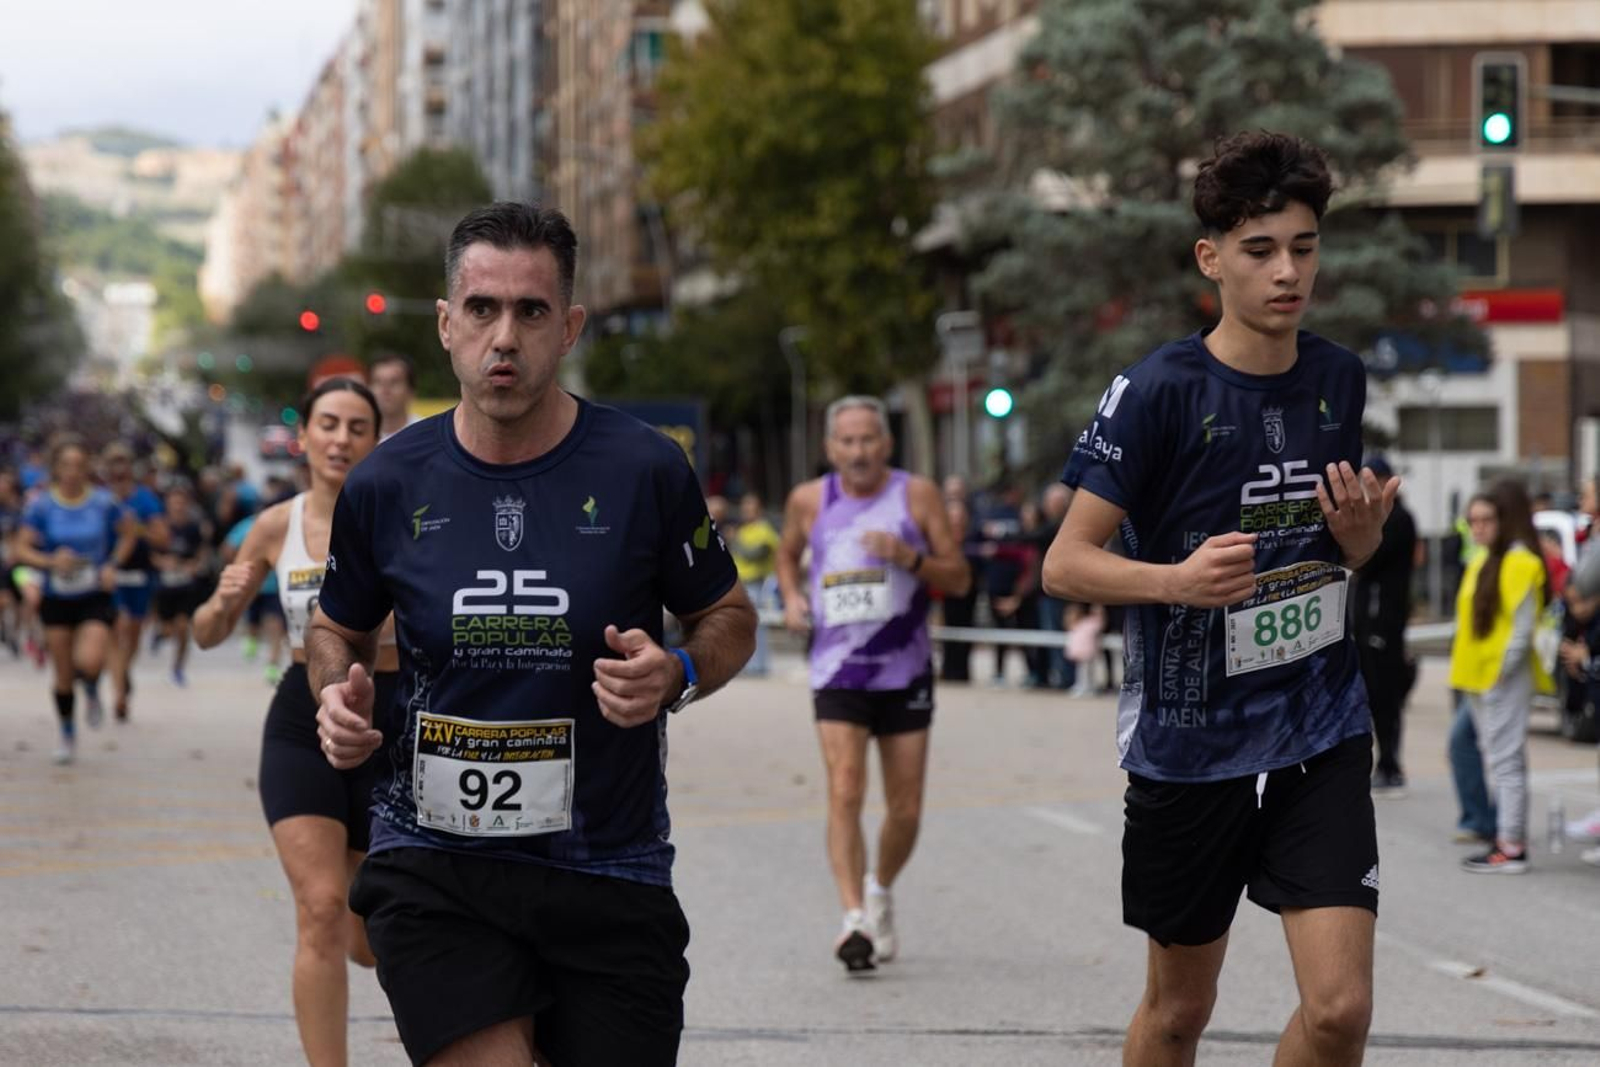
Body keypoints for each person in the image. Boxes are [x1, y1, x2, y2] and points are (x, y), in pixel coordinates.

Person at [309, 202, 756, 1067]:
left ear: (570, 328)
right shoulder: (387, 483)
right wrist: (336, 689)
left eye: (531, 311)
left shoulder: (645, 470)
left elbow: (728, 614)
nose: (503, 335)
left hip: (606, 862)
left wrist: (681, 671)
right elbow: (335, 627)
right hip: (435, 860)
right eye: (482, 309)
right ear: (446, 324)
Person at [1043, 131, 1394, 1065]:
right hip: (1193, 740)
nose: (1289, 271)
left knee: (1339, 1011)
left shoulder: (1336, 379)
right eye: (1262, 250)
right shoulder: (1158, 389)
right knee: (1178, 1013)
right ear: (1212, 259)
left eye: (1305, 247)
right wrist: (1174, 582)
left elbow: (1345, 543)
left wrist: (1362, 541)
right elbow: (1064, 564)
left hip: (1320, 720)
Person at [193, 378, 395, 1067]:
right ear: (303, 436)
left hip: (391, 719)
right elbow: (205, 632)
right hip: (303, 714)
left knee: (369, 935)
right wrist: (222, 603)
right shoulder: (276, 524)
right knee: (318, 907)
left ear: (375, 439)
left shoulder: (408, 513)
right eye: (329, 424)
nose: (341, 439)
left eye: (358, 427)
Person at [776, 395, 970, 974]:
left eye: (868, 440)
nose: (858, 452)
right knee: (845, 788)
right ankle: (853, 917)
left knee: (905, 807)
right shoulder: (809, 500)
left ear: (886, 444)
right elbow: (787, 556)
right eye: (847, 442)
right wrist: (789, 596)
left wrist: (909, 558)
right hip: (837, 670)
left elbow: (958, 577)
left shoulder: (917, 496)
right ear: (829, 448)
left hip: (905, 669)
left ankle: (880, 887)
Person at [12, 436, 135, 763]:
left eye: (80, 465)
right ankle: (67, 732)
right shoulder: (41, 505)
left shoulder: (103, 502)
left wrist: (112, 564)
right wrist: (51, 561)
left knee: (91, 660)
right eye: (66, 465)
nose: (73, 472)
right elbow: (20, 550)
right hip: (57, 596)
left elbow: (129, 533)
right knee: (63, 674)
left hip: (93, 593)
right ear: (55, 468)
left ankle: (93, 686)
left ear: (88, 468)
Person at [1449, 482, 1551, 873]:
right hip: (1477, 677)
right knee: (1497, 758)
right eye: (1472, 520)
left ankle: (1510, 847)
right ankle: (1505, 840)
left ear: (1503, 520)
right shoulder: (1483, 558)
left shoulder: (1521, 561)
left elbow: (1523, 631)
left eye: (1485, 520)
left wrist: (1499, 675)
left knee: (1505, 761)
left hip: (1499, 678)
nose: (1477, 527)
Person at [1352, 456, 1418, 796]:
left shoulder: (1398, 519)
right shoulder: (1382, 518)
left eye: (1374, 479)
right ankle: (1385, 762)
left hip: (1385, 623)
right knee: (1372, 694)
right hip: (1368, 620)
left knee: (1385, 695)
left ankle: (1391, 764)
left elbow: (1365, 558)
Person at [102, 443, 168, 722]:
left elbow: (162, 538)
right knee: (120, 626)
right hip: (110, 574)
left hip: (141, 574)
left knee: (134, 631)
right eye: (112, 462)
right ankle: (119, 694)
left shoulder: (145, 499)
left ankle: (123, 670)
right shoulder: (100, 499)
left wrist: (136, 529)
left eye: (122, 461)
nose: (118, 468)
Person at [151, 482, 212, 687]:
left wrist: (192, 566)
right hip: (164, 587)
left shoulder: (193, 527)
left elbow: (201, 553)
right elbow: (149, 554)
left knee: (183, 628)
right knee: (169, 630)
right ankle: (160, 633)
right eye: (173, 502)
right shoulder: (160, 526)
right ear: (167, 504)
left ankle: (178, 668)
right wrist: (163, 563)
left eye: (181, 502)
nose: (177, 506)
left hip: (186, 587)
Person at [730, 491, 781, 675]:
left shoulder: (764, 530)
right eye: (744, 508)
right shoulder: (744, 530)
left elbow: (755, 554)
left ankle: (758, 665)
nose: (745, 512)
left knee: (756, 626)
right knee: (745, 626)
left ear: (758, 510)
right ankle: (748, 664)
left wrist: (735, 540)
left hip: (757, 583)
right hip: (741, 583)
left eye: (749, 508)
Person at [370, 352, 420, 443]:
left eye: (394, 382)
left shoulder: (424, 434)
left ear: (411, 391)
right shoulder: (360, 436)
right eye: (378, 382)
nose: (385, 390)